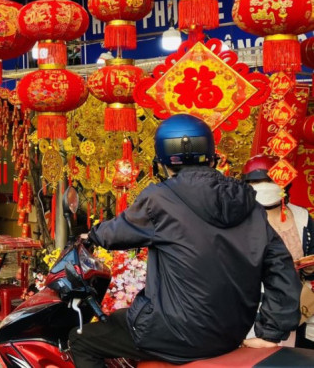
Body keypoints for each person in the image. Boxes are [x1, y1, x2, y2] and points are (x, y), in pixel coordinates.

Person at [69, 114, 300, 367]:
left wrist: (92, 235)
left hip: (172, 333)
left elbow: (116, 233)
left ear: (162, 163)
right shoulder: (249, 204)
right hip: (229, 335)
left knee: (81, 340)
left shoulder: (160, 199)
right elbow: (281, 268)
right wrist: (270, 333)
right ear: (211, 157)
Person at [242, 154, 314, 348]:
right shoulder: (238, 219)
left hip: (295, 303)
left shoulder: (302, 216)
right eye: (255, 182)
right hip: (251, 305)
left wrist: (309, 268)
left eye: (270, 181)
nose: (263, 186)